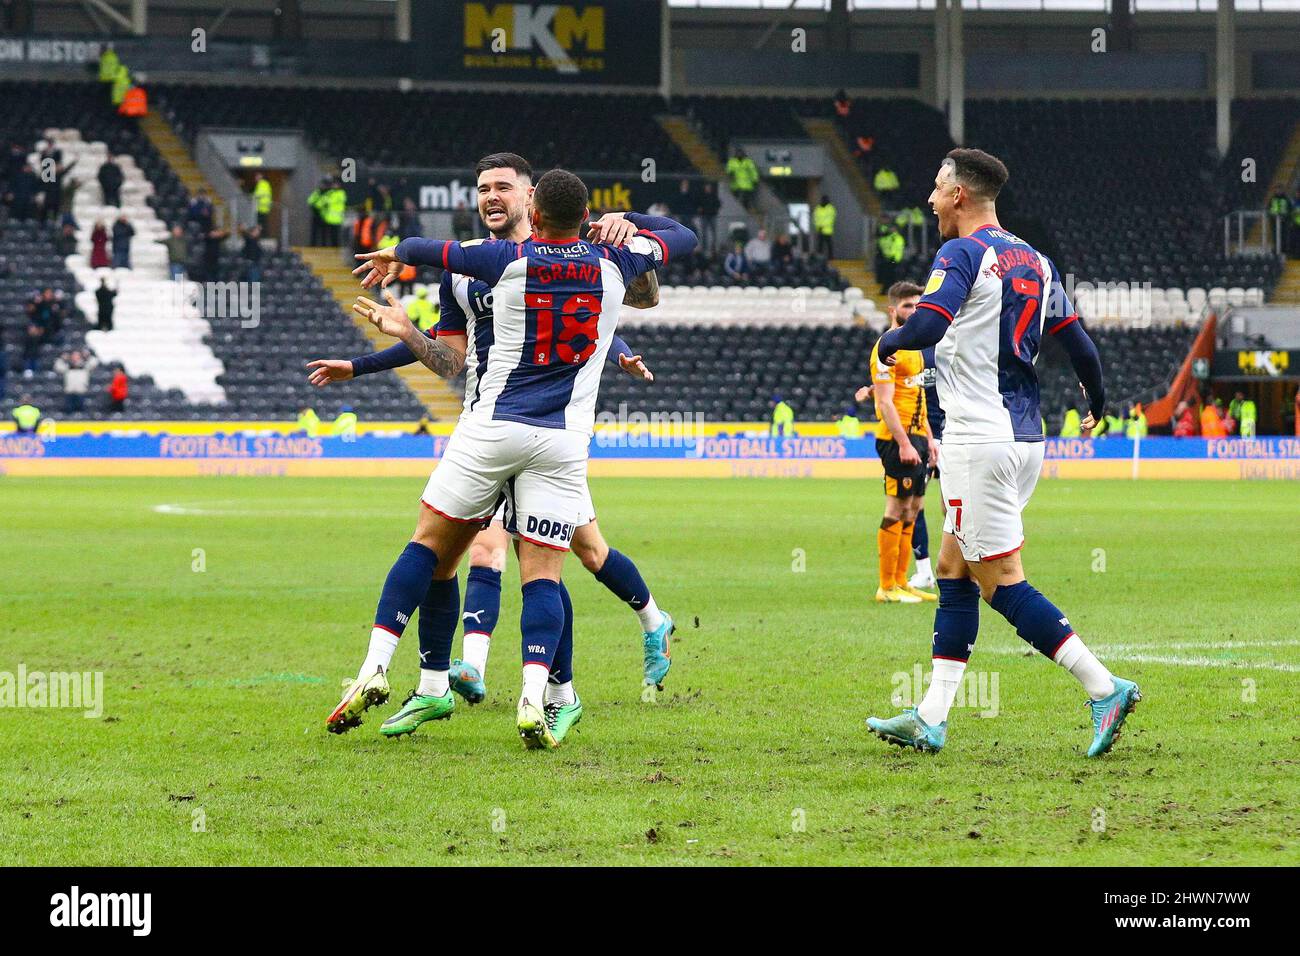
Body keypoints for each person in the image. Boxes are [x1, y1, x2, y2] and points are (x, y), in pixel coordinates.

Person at [312, 154, 681, 738]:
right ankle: (451, 686)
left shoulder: (508, 259)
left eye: (502, 187)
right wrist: (378, 353)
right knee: (482, 560)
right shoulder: (484, 270)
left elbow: (610, 305)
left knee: (569, 556)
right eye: (482, 187)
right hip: (517, 431)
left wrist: (621, 228)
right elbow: (451, 356)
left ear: (531, 200)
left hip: (508, 432)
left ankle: (590, 663)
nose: (490, 196)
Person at [865, 147, 1138, 759]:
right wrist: (1097, 398)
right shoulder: (1036, 261)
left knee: (1000, 581)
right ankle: (931, 717)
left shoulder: (961, 252)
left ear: (959, 194)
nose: (930, 199)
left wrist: (888, 343)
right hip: (1024, 439)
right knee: (955, 569)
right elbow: (1080, 346)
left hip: (977, 443)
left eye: (937, 188)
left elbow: (929, 326)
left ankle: (1104, 687)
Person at [854, 280, 938, 604]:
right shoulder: (886, 347)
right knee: (896, 506)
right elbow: (887, 403)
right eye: (907, 306)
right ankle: (886, 586)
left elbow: (917, 397)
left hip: (916, 436)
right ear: (892, 310)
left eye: (918, 305)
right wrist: (904, 443)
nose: (914, 311)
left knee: (914, 507)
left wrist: (928, 439)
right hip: (896, 439)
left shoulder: (914, 348)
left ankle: (902, 582)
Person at [54, 349, 98, 415]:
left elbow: (95, 362)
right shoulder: (67, 367)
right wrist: (62, 358)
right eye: (74, 356)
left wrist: (87, 356)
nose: (75, 357)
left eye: (77, 356)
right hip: (69, 393)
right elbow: (57, 367)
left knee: (81, 413)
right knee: (69, 412)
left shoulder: (85, 366)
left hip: (81, 392)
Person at [725, 147, 759, 212]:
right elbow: (728, 170)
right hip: (735, 185)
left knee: (745, 200)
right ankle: (736, 211)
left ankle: (745, 210)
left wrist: (755, 179)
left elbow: (753, 171)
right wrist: (730, 174)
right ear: (736, 154)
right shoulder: (732, 161)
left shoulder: (748, 162)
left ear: (743, 154)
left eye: (740, 153)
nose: (739, 154)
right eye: (738, 153)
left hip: (747, 185)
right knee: (735, 200)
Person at [695, 181, 720, 252]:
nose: (708, 188)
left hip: (712, 215)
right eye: (707, 187)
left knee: (714, 233)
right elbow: (698, 204)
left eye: (709, 187)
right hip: (704, 216)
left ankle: (714, 247)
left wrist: (715, 210)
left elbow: (718, 203)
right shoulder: (702, 195)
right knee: (704, 233)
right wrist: (700, 209)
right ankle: (704, 247)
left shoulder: (713, 195)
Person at [307, 178, 330, 246]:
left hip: (323, 216)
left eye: (324, 185)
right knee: (314, 232)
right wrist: (316, 204)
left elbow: (324, 203)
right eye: (322, 184)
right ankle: (312, 245)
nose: (323, 186)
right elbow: (309, 201)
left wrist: (316, 204)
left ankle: (324, 245)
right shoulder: (317, 192)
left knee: (324, 233)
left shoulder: (328, 193)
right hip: (316, 214)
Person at [813, 194, 837, 258]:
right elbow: (815, 218)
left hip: (827, 230)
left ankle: (831, 257)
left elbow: (831, 219)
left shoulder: (831, 208)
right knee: (820, 244)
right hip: (820, 230)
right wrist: (818, 226)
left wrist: (822, 225)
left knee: (829, 244)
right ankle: (819, 257)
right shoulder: (817, 208)